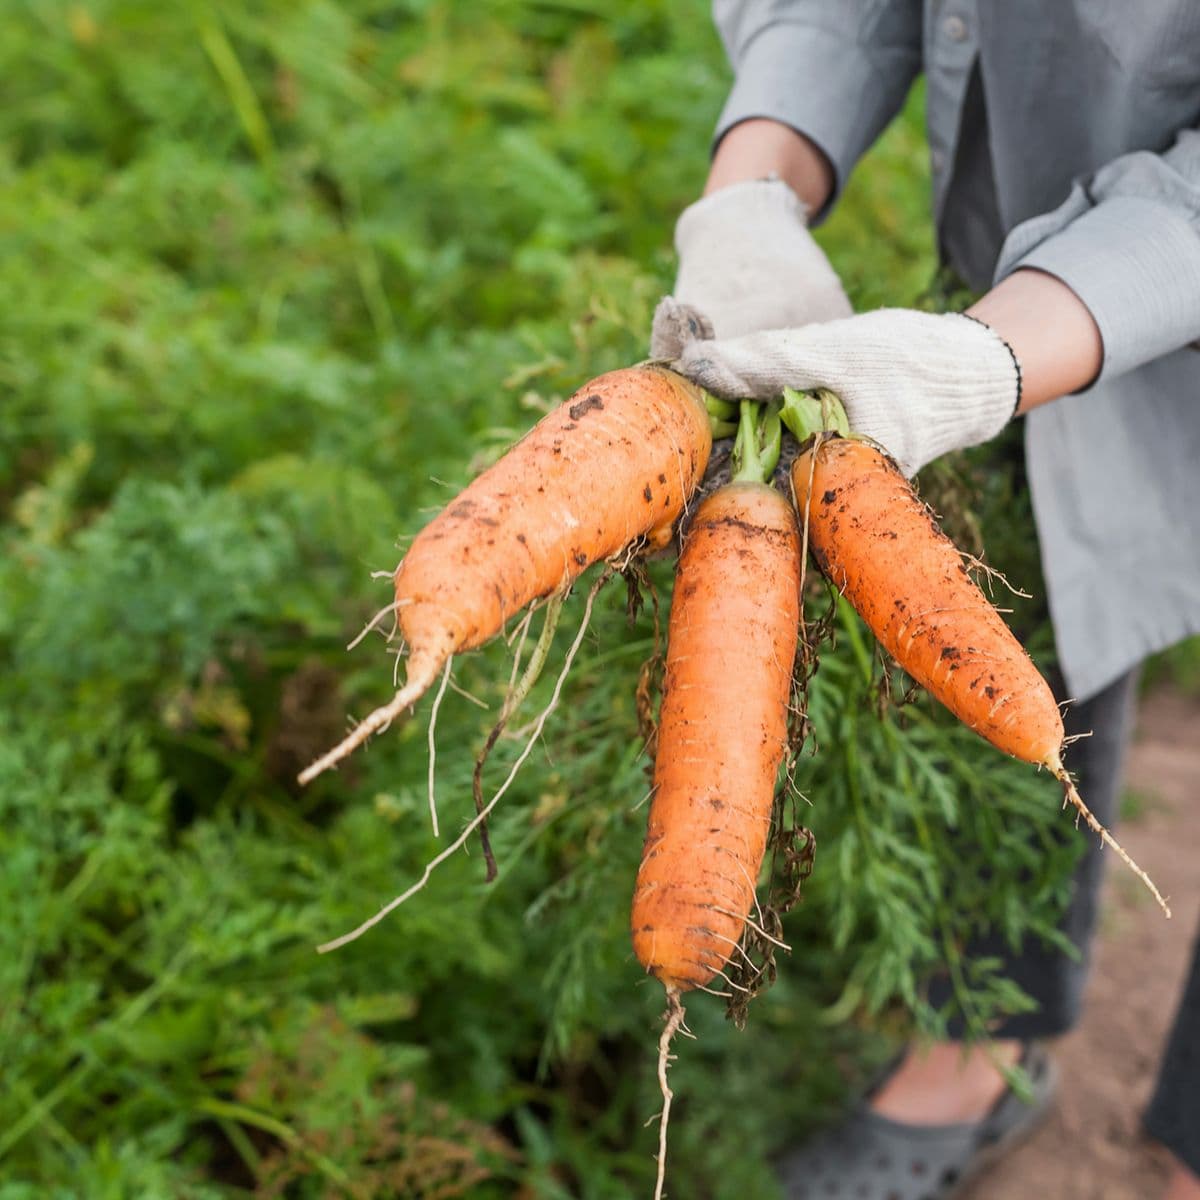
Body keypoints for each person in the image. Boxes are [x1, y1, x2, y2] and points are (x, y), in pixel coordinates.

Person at [651, 4, 1200, 1198]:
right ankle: (974, 1044)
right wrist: (754, 181)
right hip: (1025, 246)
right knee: (1012, 595)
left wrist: (995, 355)